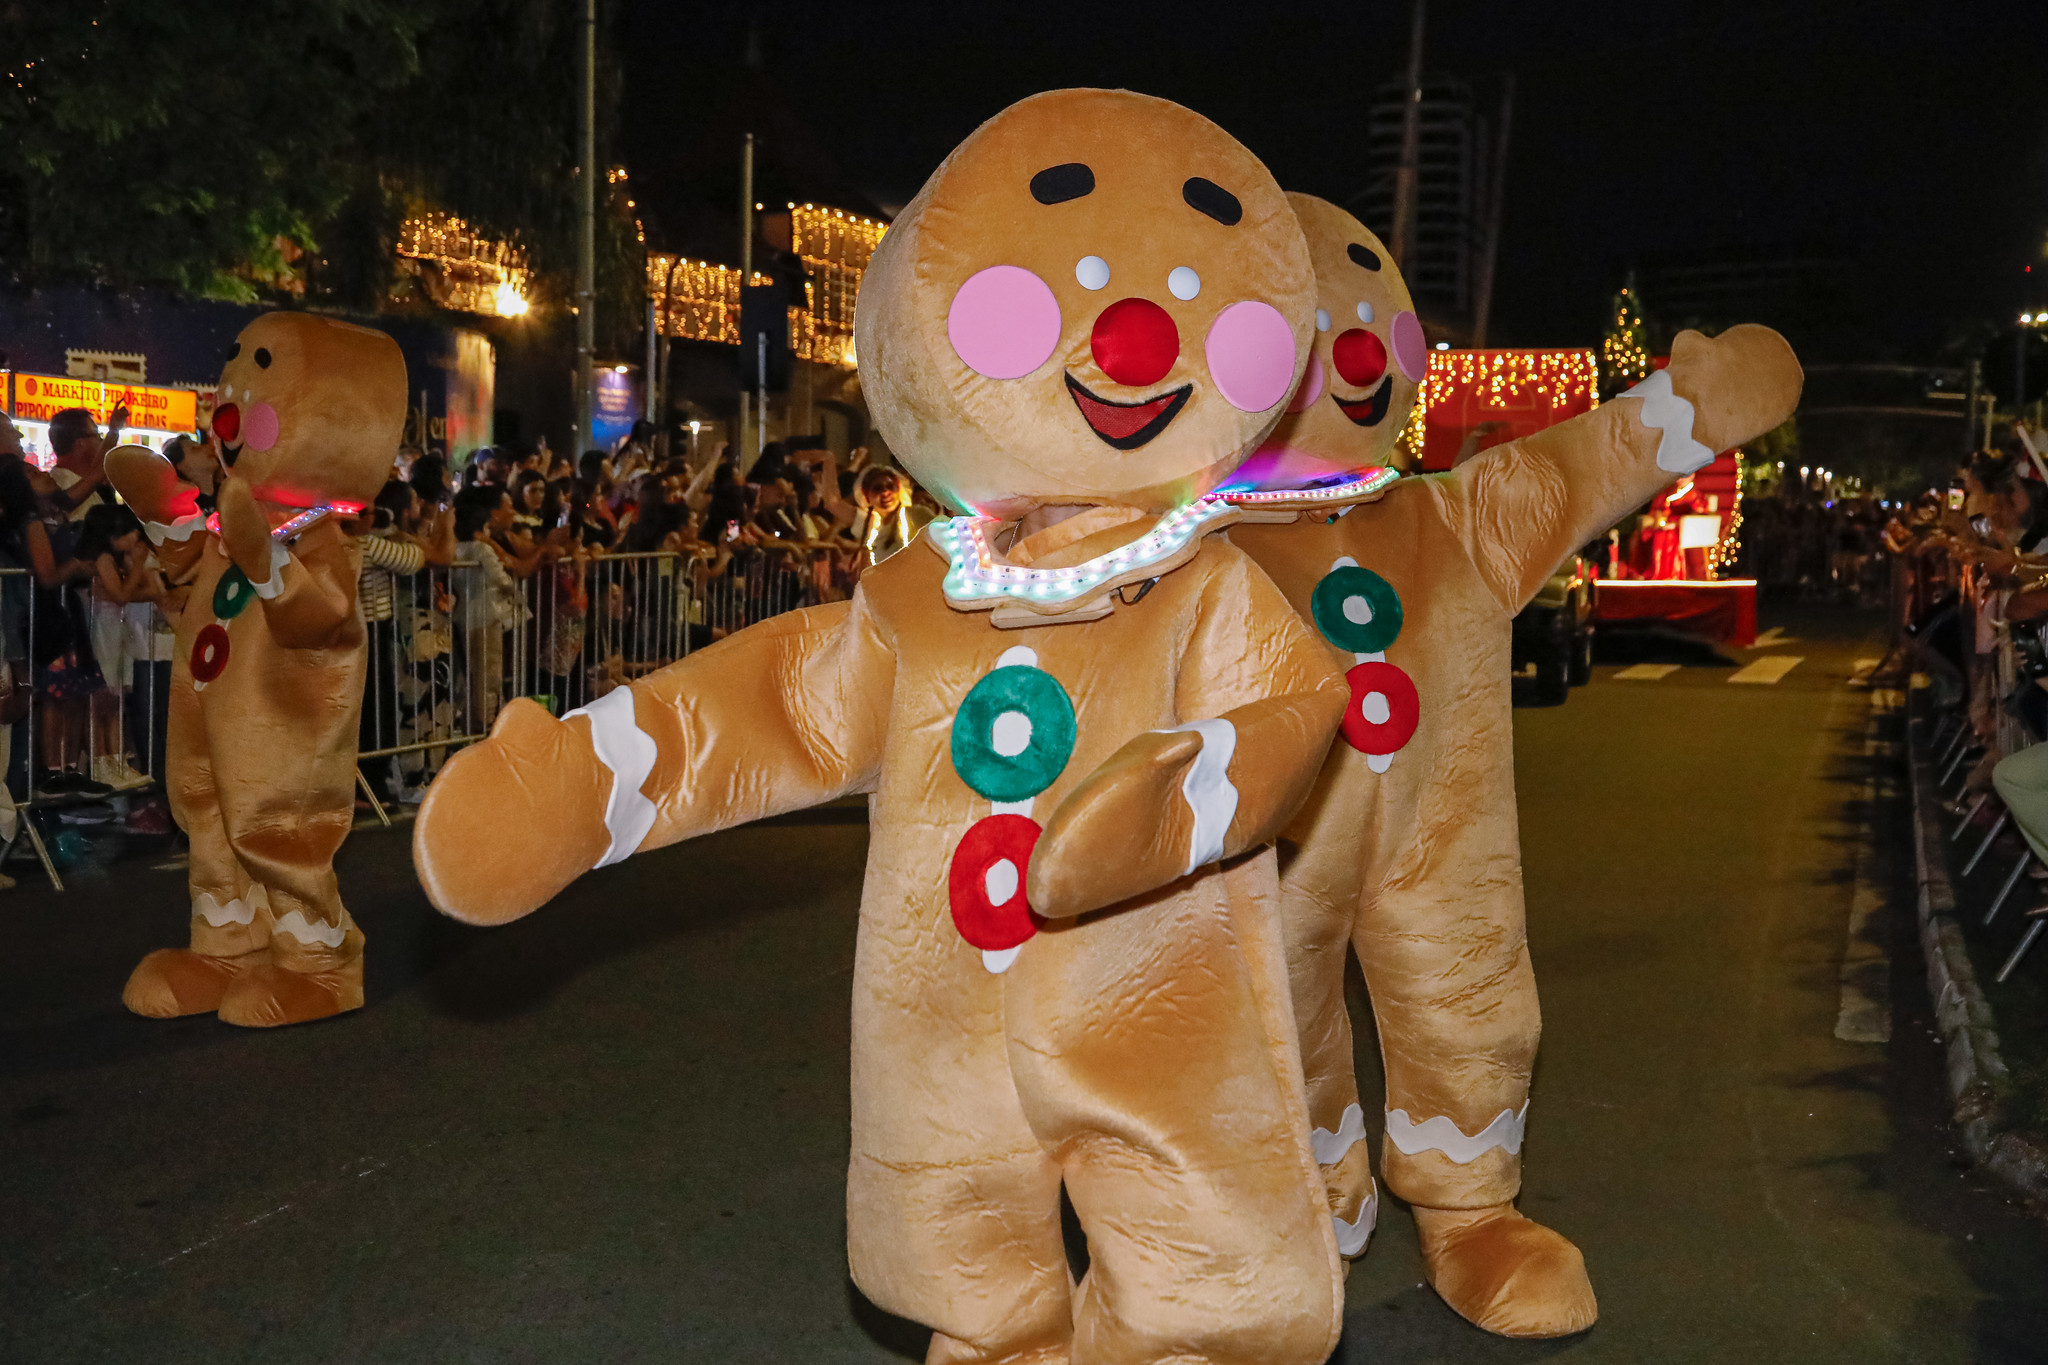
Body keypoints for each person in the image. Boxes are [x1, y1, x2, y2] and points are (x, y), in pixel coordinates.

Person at [78, 503, 160, 790]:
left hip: (117, 630)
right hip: (103, 628)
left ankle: (117, 762)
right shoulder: (102, 559)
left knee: (116, 701)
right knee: (101, 698)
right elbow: (121, 595)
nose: (136, 536)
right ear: (111, 535)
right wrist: (137, 565)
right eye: (128, 531)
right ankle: (100, 763)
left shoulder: (115, 560)